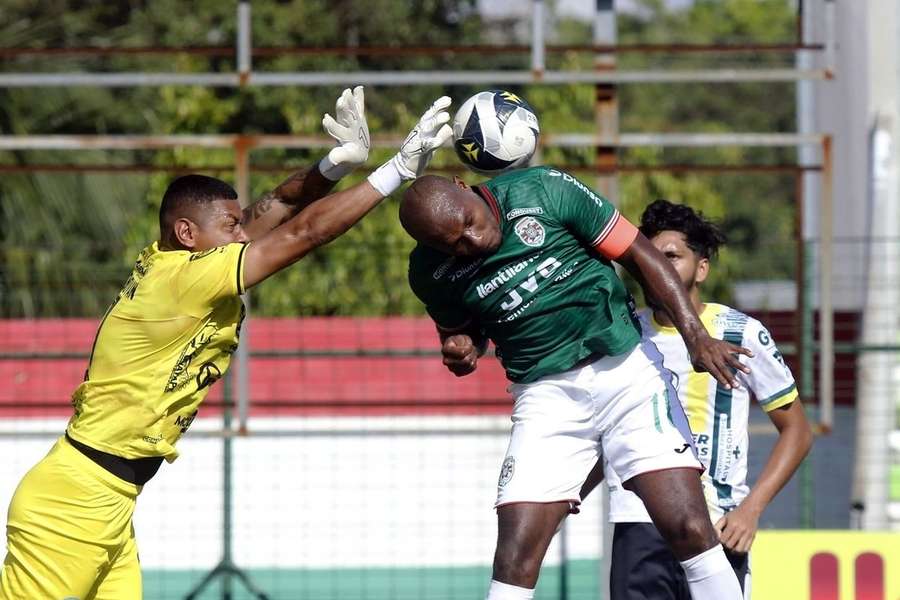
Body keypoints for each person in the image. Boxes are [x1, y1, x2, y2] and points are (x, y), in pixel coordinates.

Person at [0, 87, 453, 600]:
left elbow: (278, 205)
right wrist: (397, 170)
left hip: (107, 500)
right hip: (73, 503)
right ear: (188, 233)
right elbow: (301, 234)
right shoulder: (183, 281)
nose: (242, 237)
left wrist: (331, 166)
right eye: (229, 227)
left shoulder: (178, 262)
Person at [401, 167, 752, 600]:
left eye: (468, 225)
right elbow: (463, 332)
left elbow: (640, 254)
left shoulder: (544, 190)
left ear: (462, 184)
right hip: (545, 399)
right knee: (514, 560)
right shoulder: (426, 271)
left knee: (690, 529)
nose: (469, 242)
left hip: (625, 373)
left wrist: (696, 336)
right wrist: (461, 347)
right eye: (450, 243)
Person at [596, 199, 813, 599]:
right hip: (639, 524)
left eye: (672, 256)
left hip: (717, 523)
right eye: (648, 257)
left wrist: (751, 511)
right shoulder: (624, 337)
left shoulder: (739, 333)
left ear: (701, 268)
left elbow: (797, 430)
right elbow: (607, 427)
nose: (657, 267)